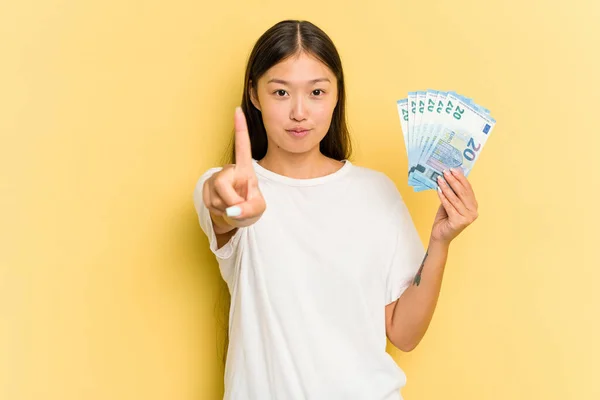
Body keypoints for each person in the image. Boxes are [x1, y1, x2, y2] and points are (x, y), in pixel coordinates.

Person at [193, 19, 479, 400]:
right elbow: (219, 202)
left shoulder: (376, 192)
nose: (299, 112)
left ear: (336, 96)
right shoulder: (232, 187)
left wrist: (441, 242)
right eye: (280, 92)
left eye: (316, 92)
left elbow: (403, 334)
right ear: (255, 95)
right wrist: (230, 205)